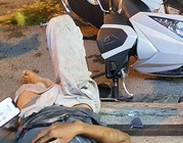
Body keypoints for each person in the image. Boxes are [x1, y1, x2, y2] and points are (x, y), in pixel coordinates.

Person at [13, 15, 131, 143]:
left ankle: (44, 85)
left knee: (24, 91)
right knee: (60, 23)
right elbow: (124, 139)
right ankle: (49, 85)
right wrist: (79, 128)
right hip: (75, 100)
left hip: (35, 113)